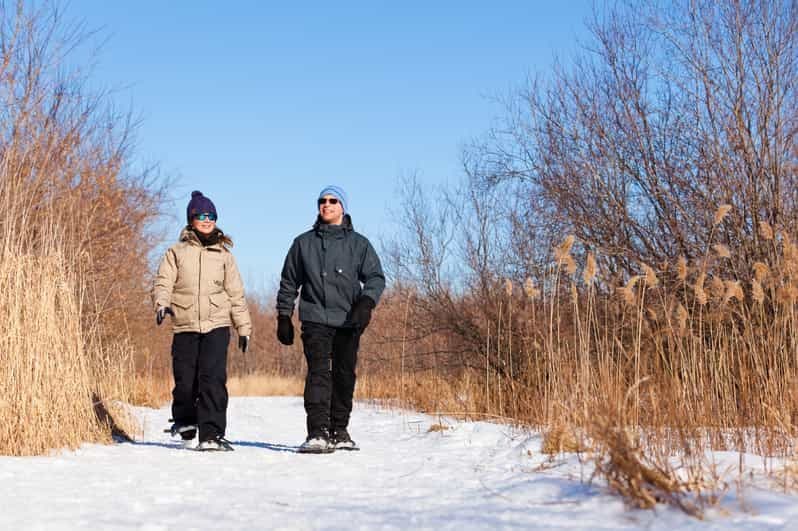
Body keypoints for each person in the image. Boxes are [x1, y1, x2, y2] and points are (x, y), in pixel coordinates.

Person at [276, 185, 385, 453]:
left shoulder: (359, 244)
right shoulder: (303, 243)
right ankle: (317, 432)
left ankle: (339, 430)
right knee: (318, 374)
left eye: (333, 201)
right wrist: (284, 316)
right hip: (315, 317)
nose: (327, 205)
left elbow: (375, 277)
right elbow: (289, 282)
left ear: (342, 207)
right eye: (322, 201)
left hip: (349, 319)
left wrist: (366, 303)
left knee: (344, 375)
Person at [153, 191, 252, 451]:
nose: (207, 220)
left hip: (217, 324)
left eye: (211, 216)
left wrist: (243, 327)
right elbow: (164, 280)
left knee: (212, 379)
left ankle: (211, 434)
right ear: (191, 219)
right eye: (201, 216)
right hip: (184, 322)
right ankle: (185, 420)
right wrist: (161, 303)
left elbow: (236, 293)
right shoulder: (176, 252)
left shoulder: (225, 256)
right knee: (185, 380)